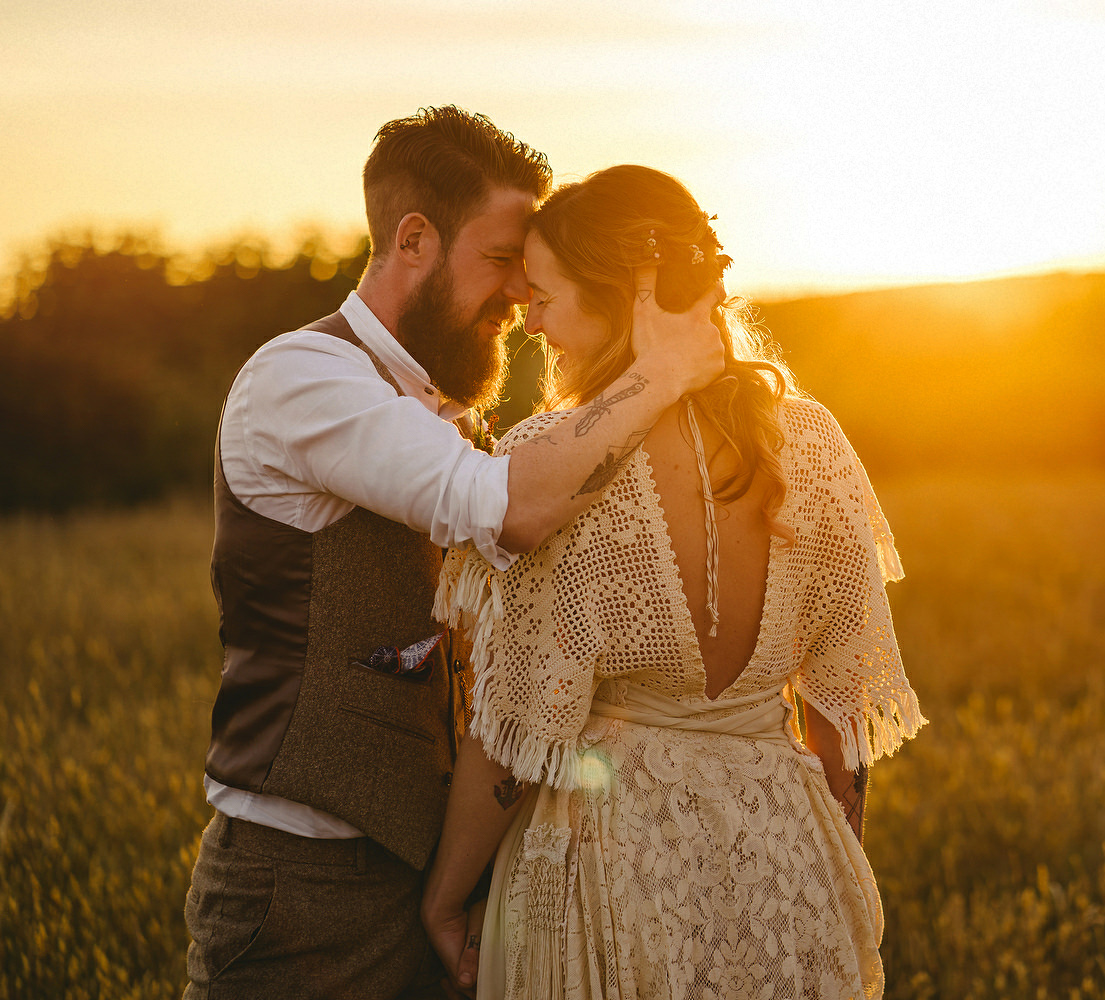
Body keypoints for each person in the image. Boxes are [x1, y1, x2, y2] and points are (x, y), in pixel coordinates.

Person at [183, 109, 724, 999]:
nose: (521, 292)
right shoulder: (303, 378)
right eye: (503, 259)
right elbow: (509, 513)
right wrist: (660, 370)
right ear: (415, 239)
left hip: (437, 875)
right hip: (304, 892)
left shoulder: (445, 413)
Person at [421, 165, 925, 999]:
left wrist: (444, 898)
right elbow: (839, 720)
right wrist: (821, 867)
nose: (530, 315)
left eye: (546, 293)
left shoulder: (551, 469)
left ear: (624, 298)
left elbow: (512, 733)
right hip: (782, 857)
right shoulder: (815, 442)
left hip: (608, 870)